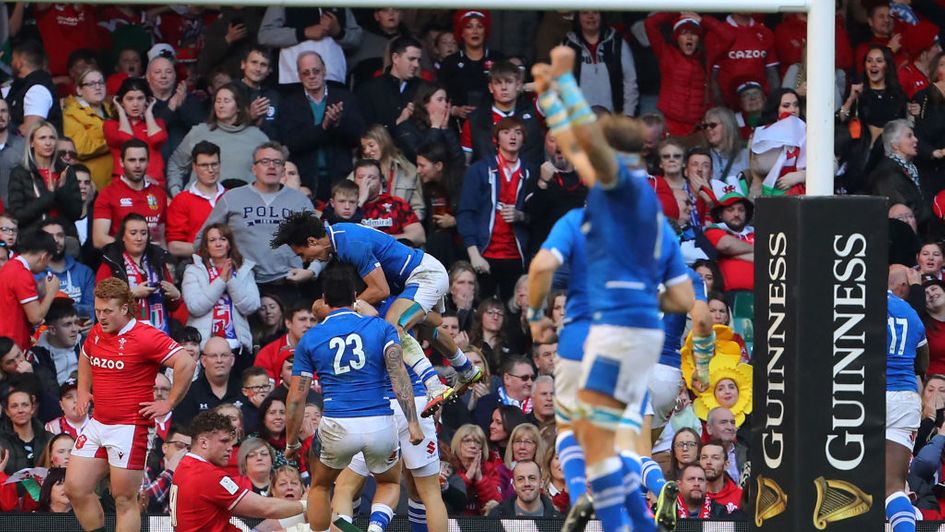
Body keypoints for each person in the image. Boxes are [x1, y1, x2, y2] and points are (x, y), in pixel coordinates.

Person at [532, 46, 694, 532]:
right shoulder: (652, 214)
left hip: (591, 333)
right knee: (621, 442)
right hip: (642, 343)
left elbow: (579, 139)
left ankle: (581, 492)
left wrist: (559, 89)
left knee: (573, 431)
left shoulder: (587, 213)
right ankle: (646, 505)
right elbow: (684, 299)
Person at [271, 211, 483, 416]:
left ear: (312, 241)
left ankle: (434, 386)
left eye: (302, 254)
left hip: (424, 276)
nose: (305, 260)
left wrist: (346, 309)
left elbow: (380, 290)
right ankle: (467, 370)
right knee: (430, 328)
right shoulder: (340, 236)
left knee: (393, 327)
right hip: (416, 276)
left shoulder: (350, 244)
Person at [282, 268, 422, 532]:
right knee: (389, 483)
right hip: (380, 422)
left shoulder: (310, 338)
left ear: (324, 300)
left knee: (320, 487)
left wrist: (291, 441)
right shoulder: (381, 328)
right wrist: (413, 424)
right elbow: (398, 373)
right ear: (356, 296)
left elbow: (296, 398)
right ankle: (375, 529)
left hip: (337, 424)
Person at [63, 278, 196, 532]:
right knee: (75, 488)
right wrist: (82, 390)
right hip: (99, 421)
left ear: (125, 308)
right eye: (98, 310)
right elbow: (86, 355)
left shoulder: (146, 335)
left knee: (124, 498)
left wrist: (169, 402)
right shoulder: (98, 331)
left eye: (108, 311)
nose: (101, 317)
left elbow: (186, 363)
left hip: (130, 427)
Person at [196, 141, 314, 293]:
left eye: (277, 162)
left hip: (288, 283)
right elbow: (202, 239)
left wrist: (312, 271)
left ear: (283, 170)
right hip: (241, 285)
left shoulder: (300, 201)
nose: (271, 166)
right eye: (265, 161)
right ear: (253, 168)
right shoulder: (232, 198)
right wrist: (219, 269)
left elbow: (322, 243)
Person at [170, 411, 306, 531]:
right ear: (204, 443)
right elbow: (265, 508)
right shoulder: (206, 475)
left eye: (231, 442)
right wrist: (308, 505)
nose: (230, 448)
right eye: (224, 441)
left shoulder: (184, 466)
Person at [458, 116, 535, 300]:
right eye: (506, 132)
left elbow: (540, 217)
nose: (512, 137)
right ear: (496, 138)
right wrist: (474, 254)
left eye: (518, 133)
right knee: (483, 308)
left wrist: (521, 216)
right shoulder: (478, 170)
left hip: (517, 256)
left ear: (524, 139)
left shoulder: (531, 172)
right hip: (485, 254)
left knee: (514, 310)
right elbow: (465, 213)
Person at [279, 51, 365, 202]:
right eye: (306, 73)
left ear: (324, 70)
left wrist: (337, 124)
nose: (312, 76)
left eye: (316, 71)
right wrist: (324, 127)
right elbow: (292, 142)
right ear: (299, 76)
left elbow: (357, 137)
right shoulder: (289, 103)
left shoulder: (345, 98)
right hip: (305, 179)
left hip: (341, 177)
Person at [166, 83, 269, 197]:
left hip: (243, 202)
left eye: (226, 101)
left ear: (239, 107)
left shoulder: (257, 137)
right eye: (218, 101)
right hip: (199, 203)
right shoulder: (199, 132)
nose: (221, 105)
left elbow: (271, 172)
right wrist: (176, 192)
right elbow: (176, 164)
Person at [884, 279, 930, 532]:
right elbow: (923, 364)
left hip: (861, 397)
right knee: (893, 487)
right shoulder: (908, 311)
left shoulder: (853, 305)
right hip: (904, 398)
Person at [182, 223, 260, 354]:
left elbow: (251, 306)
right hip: (204, 346)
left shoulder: (243, 270)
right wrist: (221, 281)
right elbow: (195, 307)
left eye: (223, 239)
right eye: (212, 240)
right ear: (206, 246)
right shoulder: (193, 271)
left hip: (237, 346)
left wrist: (231, 281)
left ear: (229, 244)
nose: (218, 244)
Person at [96, 214, 179, 334]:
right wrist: (132, 294)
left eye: (143, 233)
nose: (139, 238)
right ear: (123, 236)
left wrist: (175, 296)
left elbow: (173, 306)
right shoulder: (111, 262)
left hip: (160, 334)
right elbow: (101, 302)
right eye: (133, 233)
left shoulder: (158, 260)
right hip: (124, 335)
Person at [460, 60, 544, 168]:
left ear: (518, 85)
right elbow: (464, 163)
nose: (504, 87)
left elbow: (559, 89)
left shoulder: (533, 113)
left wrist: (527, 87)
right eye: (498, 83)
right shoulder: (474, 121)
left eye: (509, 82)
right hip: (489, 177)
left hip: (528, 178)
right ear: (491, 88)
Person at [7, 120, 82, 232]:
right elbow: (18, 216)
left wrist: (61, 191)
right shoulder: (20, 173)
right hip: (34, 236)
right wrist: (50, 196)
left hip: (64, 235)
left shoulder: (66, 171)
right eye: (42, 138)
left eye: (52, 138)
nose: (48, 143)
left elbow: (76, 213)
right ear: (31, 143)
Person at [92, 139, 168, 249]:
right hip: (120, 257)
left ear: (148, 162)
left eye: (142, 160)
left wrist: (165, 258)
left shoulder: (159, 193)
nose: (137, 165)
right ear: (121, 162)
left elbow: (160, 239)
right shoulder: (108, 194)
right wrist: (137, 247)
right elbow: (99, 239)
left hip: (152, 258)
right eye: (132, 160)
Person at [562, 11, 639, 116]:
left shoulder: (617, 43)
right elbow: (560, 84)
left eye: (595, 12)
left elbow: (630, 81)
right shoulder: (567, 45)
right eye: (585, 13)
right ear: (577, 17)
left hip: (613, 119)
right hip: (578, 119)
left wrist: (628, 115)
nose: (590, 17)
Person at [167, 142, 228, 258]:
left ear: (220, 164)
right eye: (204, 165)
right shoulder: (182, 200)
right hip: (195, 263)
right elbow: (174, 246)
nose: (210, 170)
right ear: (194, 167)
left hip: (230, 263)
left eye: (214, 164)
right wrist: (211, 249)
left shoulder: (230, 196)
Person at [0, 229, 59, 350]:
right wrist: (51, 292)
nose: (46, 266)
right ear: (43, 256)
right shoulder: (21, 273)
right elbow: (35, 318)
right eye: (48, 261)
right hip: (13, 346)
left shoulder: (10, 266)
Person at [103, 77, 168, 186]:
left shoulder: (158, 123)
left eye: (140, 98)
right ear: (121, 102)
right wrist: (121, 112)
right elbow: (127, 140)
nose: (135, 104)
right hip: (123, 184)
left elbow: (157, 139)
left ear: (147, 101)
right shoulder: (111, 125)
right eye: (130, 99)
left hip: (154, 183)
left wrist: (148, 113)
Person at [357, 35, 428, 130]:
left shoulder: (424, 88)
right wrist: (399, 121)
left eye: (418, 60)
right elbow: (366, 131)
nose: (416, 64)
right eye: (411, 59)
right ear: (395, 58)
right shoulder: (369, 89)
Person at [355, 125, 425, 219]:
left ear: (383, 143)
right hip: (369, 225)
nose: (367, 151)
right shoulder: (359, 172)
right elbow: (347, 204)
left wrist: (408, 225)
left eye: (371, 145)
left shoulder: (408, 170)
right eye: (364, 148)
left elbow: (418, 208)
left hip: (400, 225)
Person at [351, 158, 425, 246]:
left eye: (372, 177)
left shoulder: (396, 203)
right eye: (361, 177)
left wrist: (383, 240)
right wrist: (361, 200)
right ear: (354, 180)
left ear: (381, 180)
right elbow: (342, 234)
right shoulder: (344, 203)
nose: (366, 182)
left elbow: (419, 237)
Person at [173, 338, 245, 428]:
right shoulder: (188, 393)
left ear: (232, 360)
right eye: (213, 356)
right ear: (203, 361)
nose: (219, 360)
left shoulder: (245, 390)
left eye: (224, 355)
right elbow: (181, 430)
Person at [62, 68, 114, 189]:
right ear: (79, 90)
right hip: (90, 183)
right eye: (91, 84)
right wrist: (114, 140)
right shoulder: (71, 113)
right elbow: (80, 148)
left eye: (100, 82)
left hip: (113, 181)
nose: (98, 87)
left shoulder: (111, 110)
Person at [38, 218, 95, 319]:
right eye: (49, 236)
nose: (56, 240)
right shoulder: (34, 274)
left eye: (60, 235)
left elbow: (91, 310)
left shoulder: (85, 272)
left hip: (80, 327)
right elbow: (34, 314)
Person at [393, 85, 464, 166]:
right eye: (440, 100)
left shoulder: (446, 127)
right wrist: (435, 128)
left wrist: (445, 129)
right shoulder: (406, 128)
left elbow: (459, 160)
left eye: (446, 100)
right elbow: (420, 158)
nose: (445, 104)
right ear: (425, 103)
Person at [704, 179, 755, 292]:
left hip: (761, 294)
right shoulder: (713, 230)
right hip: (727, 295)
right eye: (730, 210)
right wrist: (758, 250)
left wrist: (733, 255)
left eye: (741, 210)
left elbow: (768, 259)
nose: (736, 214)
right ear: (720, 214)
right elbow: (727, 245)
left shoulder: (757, 233)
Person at [7, 39, 62, 136]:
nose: (11, 63)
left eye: (13, 59)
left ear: (20, 62)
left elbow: (30, 130)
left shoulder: (38, 89)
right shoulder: (20, 85)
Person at [254, 304, 316, 386]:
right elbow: (263, 390)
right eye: (302, 319)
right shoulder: (268, 353)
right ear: (288, 323)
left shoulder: (326, 351)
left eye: (313, 320)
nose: (308, 325)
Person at [140, 425, 191, 514]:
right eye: (179, 446)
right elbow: (145, 503)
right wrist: (170, 472)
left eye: (188, 449)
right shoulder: (149, 468)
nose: (184, 453)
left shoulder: (191, 474)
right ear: (165, 448)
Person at [30, 298, 82, 386]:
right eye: (68, 324)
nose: (75, 329)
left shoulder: (85, 344)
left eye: (76, 323)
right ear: (52, 330)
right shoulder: (38, 357)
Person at [0, 389, 53, 473]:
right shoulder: (1, 443)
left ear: (33, 408)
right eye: (14, 406)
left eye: (25, 405)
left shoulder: (49, 439)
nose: (20, 410)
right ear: (7, 411)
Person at [488, 459, 562, 518]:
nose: (527, 483)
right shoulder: (496, 516)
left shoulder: (557, 518)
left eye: (532, 478)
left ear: (541, 483)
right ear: (514, 485)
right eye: (520, 479)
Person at [236, 45, 281, 141]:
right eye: (254, 62)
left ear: (269, 70)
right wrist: (250, 116)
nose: (258, 69)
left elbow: (280, 128)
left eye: (263, 65)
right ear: (243, 64)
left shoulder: (274, 96)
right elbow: (221, 126)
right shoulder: (230, 91)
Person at [699, 440, 742, 513]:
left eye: (715, 458)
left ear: (726, 465)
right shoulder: (691, 496)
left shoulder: (740, 496)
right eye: (704, 457)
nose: (708, 462)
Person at [0, 99, 26, 207]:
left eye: (3, 111)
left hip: (16, 210)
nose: (0, 115)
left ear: (9, 116)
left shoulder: (24, 146)